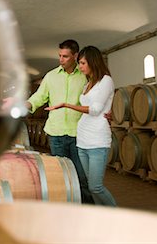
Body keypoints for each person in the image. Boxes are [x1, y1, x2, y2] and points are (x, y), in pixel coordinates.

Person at [46, 46, 117, 206]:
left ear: (93, 62)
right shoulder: (88, 83)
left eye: (83, 63)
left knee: (96, 187)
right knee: (88, 186)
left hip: (98, 140)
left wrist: (66, 105)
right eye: (80, 63)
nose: (80, 67)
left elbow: (95, 109)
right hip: (82, 140)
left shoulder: (106, 80)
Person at [26, 39, 94, 204]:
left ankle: (89, 210)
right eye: (59, 56)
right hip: (56, 134)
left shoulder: (85, 75)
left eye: (65, 56)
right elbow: (39, 97)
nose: (61, 60)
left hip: (79, 134)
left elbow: (94, 99)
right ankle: (65, 210)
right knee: (61, 177)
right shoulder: (51, 76)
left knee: (82, 176)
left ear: (75, 56)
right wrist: (27, 104)